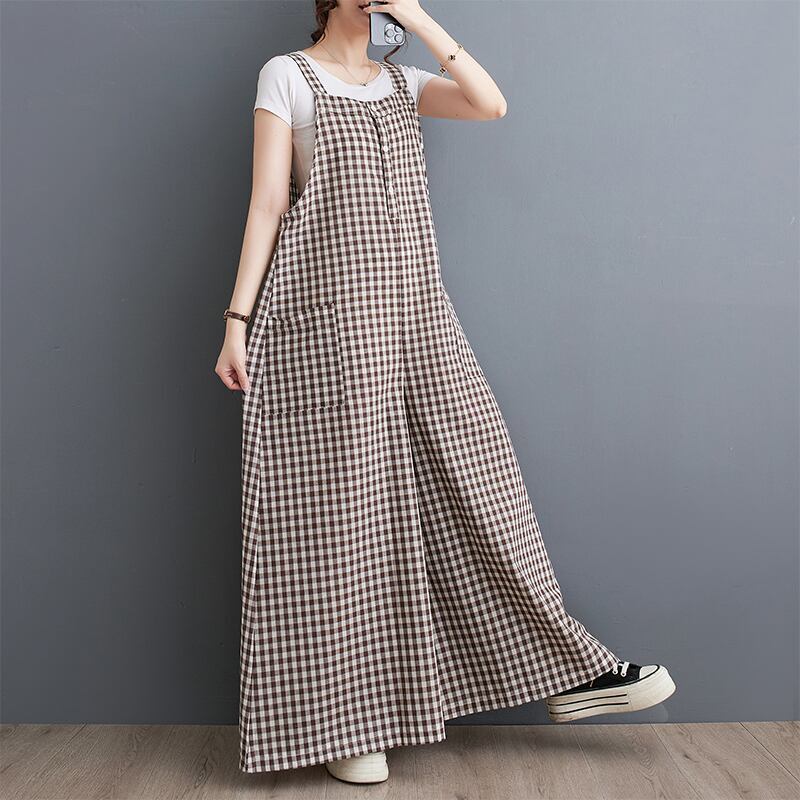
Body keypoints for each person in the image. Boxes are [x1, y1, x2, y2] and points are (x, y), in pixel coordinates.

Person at [215, 0, 675, 786]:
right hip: (329, 322)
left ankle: (566, 668)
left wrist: (420, 20)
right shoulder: (286, 76)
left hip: (419, 317)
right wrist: (236, 322)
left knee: (480, 480)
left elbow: (490, 104)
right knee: (342, 519)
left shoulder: (404, 83)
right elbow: (268, 202)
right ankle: (345, 723)